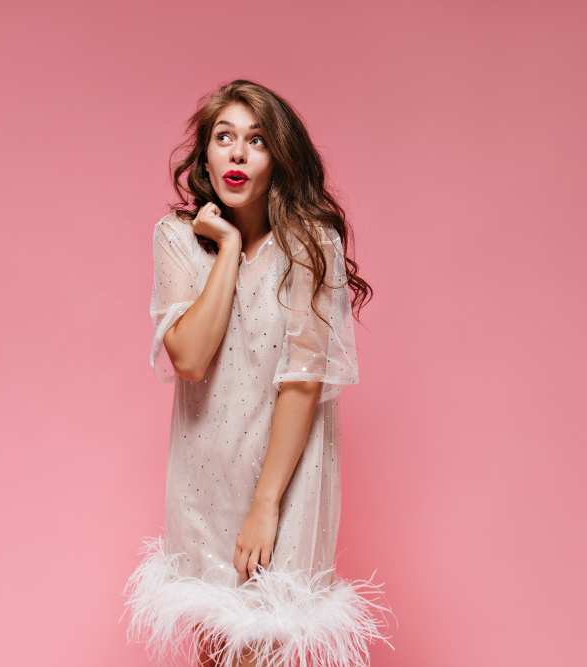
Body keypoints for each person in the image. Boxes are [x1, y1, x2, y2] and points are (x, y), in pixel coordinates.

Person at [121, 80, 394, 667]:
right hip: (204, 480)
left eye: (257, 140)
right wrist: (223, 251)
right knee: (217, 653)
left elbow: (304, 379)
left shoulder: (308, 246)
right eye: (224, 138)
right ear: (205, 156)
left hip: (284, 481)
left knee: (267, 650)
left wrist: (265, 504)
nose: (238, 153)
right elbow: (190, 359)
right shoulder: (177, 238)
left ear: (280, 159)